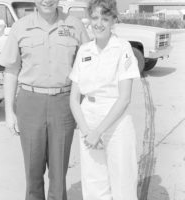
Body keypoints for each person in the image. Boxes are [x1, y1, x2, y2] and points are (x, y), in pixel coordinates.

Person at [0, 0, 89, 199]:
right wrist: (9, 113)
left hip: (64, 104)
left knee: (59, 173)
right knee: (32, 171)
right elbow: (11, 70)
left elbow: (87, 68)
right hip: (30, 103)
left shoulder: (75, 25)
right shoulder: (20, 27)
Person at [69, 0, 140, 199]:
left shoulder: (122, 48)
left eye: (105, 18)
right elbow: (74, 98)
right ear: (89, 20)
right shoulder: (84, 50)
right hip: (87, 120)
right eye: (94, 18)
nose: (98, 23)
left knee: (122, 182)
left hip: (115, 122)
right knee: (93, 183)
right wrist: (86, 131)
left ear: (113, 21)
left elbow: (125, 98)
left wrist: (98, 131)